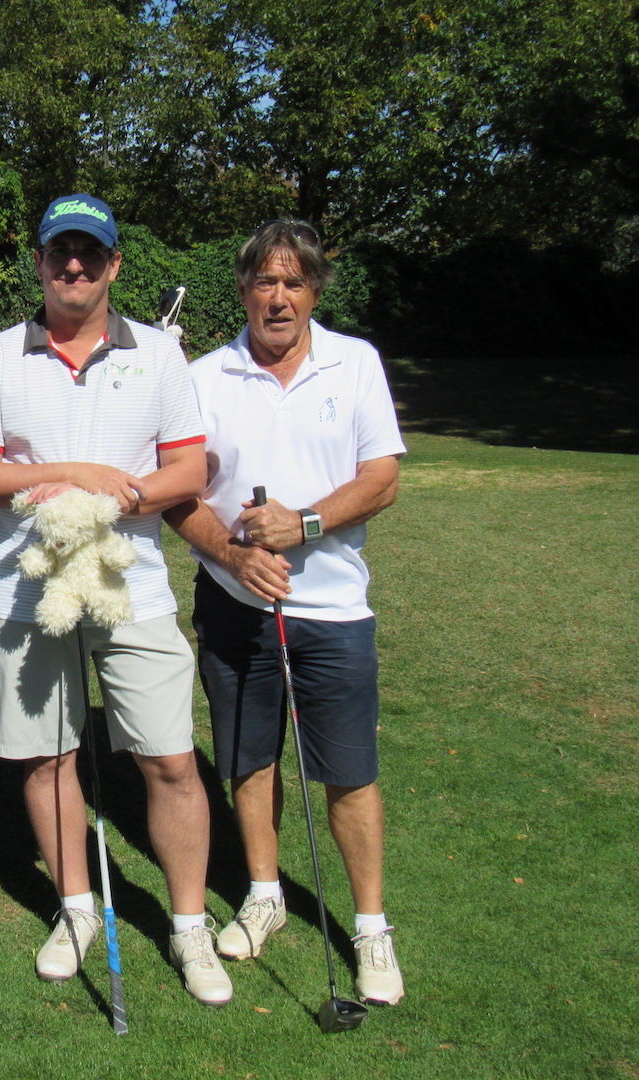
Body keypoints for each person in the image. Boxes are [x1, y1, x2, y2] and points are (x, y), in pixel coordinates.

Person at [0, 194, 232, 1007]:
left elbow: (190, 470)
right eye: (57, 253)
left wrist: (127, 493)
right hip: (26, 587)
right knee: (47, 758)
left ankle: (187, 926)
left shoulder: (159, 357)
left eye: (89, 253)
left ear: (113, 264)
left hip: (131, 585)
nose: (72, 266)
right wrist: (78, 474)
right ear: (39, 262)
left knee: (170, 761)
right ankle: (77, 909)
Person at [164, 219, 407, 1006]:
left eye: (293, 283)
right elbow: (181, 494)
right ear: (241, 290)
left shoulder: (355, 363)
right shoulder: (204, 375)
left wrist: (301, 523)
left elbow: (381, 478)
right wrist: (233, 554)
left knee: (348, 771)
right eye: (264, 282)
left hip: (332, 606)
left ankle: (371, 929)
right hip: (235, 605)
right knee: (248, 759)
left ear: (313, 292)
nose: (278, 298)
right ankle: (264, 893)